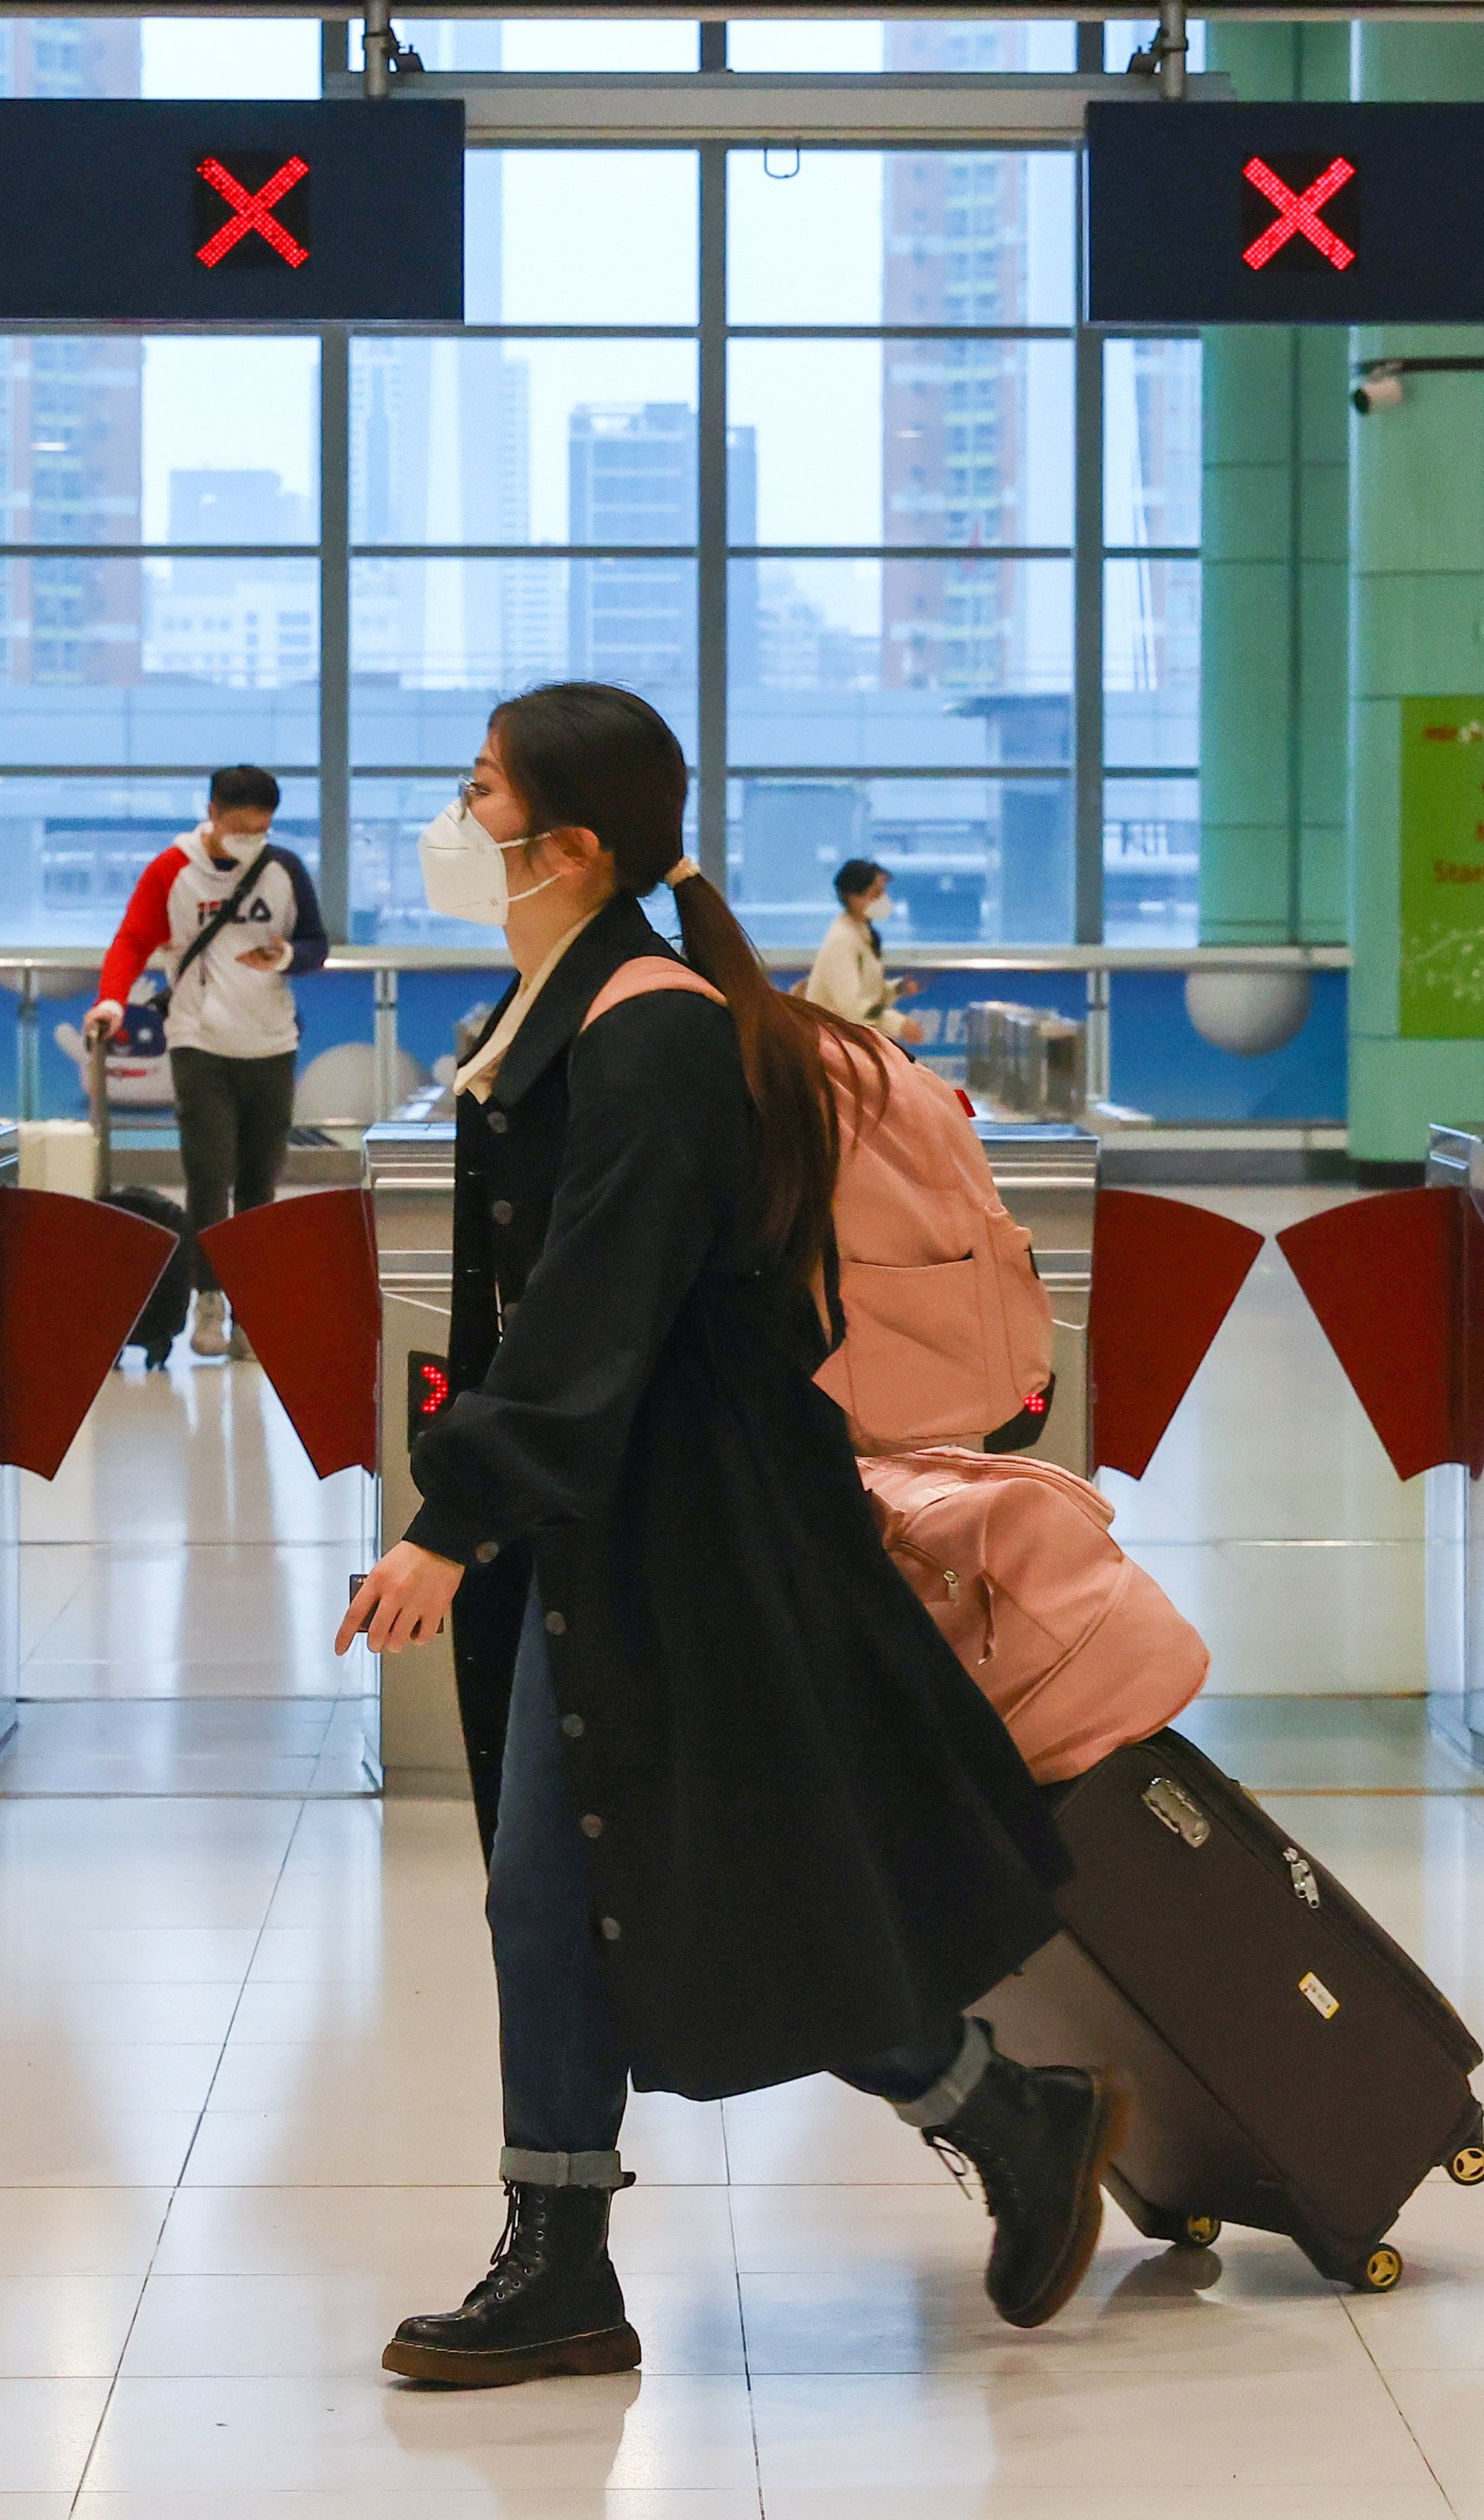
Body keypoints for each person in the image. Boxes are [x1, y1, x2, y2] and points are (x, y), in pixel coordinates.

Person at [336, 682, 1123, 2391]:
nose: (453, 821)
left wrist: (451, 1524)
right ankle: (567, 2254)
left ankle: (1004, 2112)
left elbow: (591, 1305)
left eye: (477, 793)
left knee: (728, 1885)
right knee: (562, 1894)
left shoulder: (651, 1028)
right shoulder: (571, 1002)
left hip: (689, 1535)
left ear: (572, 846)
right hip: (610, 1519)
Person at [86, 767, 327, 1359]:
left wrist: (286, 955)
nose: (253, 840)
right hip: (198, 1042)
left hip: (271, 1045)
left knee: (258, 1183)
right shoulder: (173, 869)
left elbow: (318, 945)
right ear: (213, 812)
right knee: (208, 1175)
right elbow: (131, 940)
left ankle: (252, 1308)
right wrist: (112, 999)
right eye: (242, 828)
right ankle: (209, 1299)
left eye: (263, 829)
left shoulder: (283, 869)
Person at [799, 855, 924, 1042]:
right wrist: (900, 1024)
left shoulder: (859, 933)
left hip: (848, 1041)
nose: (883, 900)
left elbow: (869, 996)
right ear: (853, 897)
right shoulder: (842, 941)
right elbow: (853, 1009)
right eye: (876, 894)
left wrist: (897, 989)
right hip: (832, 1043)